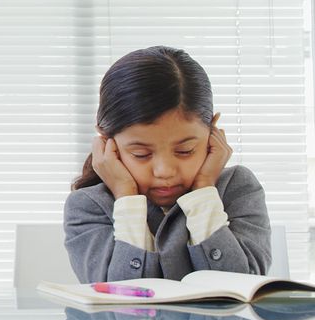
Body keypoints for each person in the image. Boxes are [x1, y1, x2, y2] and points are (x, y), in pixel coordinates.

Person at [64, 46, 271, 283]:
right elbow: (114, 297)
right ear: (107, 143)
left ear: (212, 132)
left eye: (185, 151)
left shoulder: (238, 188)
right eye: (141, 154)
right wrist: (126, 198)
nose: (165, 172)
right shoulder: (88, 205)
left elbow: (244, 286)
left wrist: (204, 190)